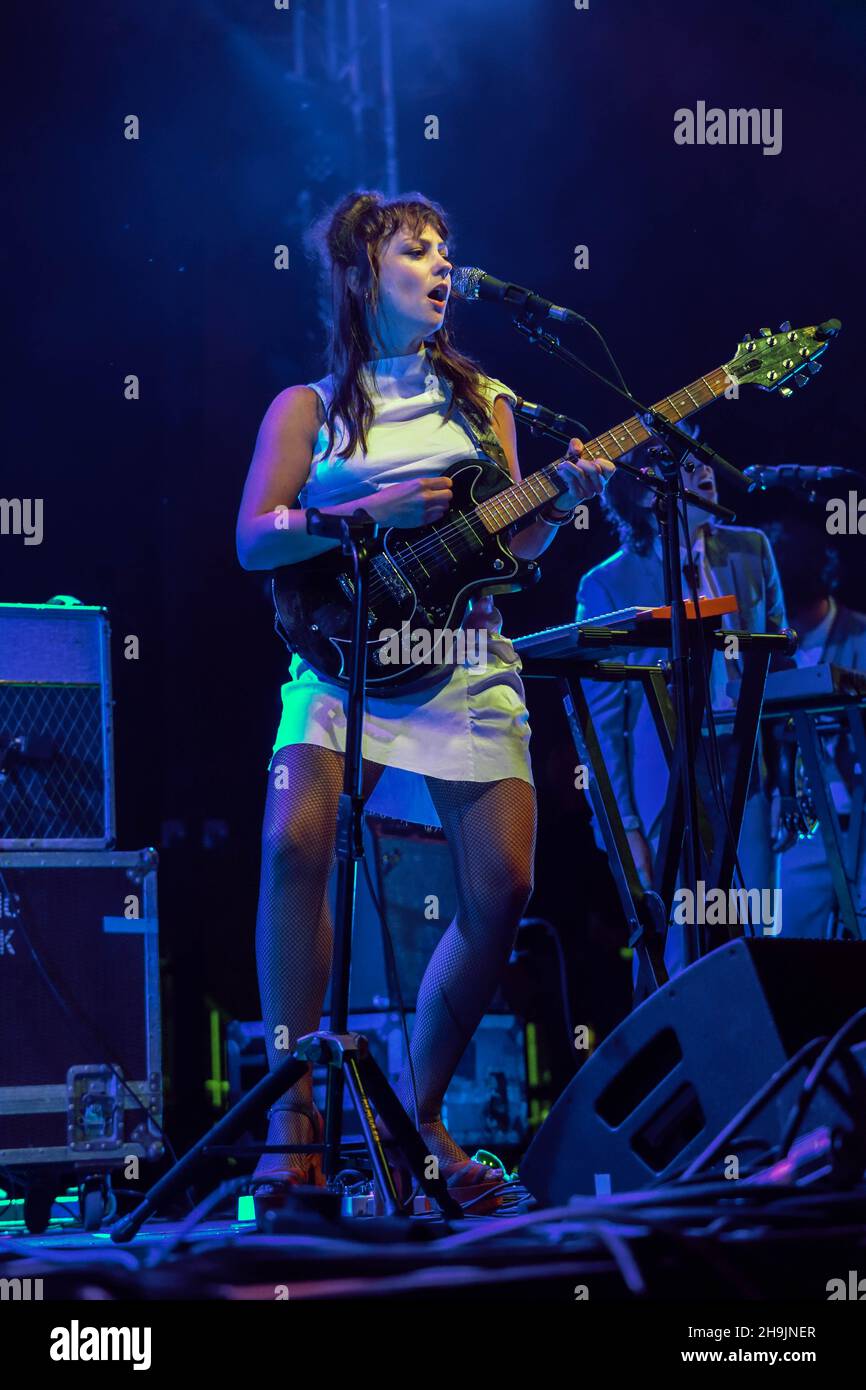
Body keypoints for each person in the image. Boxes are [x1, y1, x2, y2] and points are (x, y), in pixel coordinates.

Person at [235, 189, 612, 1212]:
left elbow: (512, 539)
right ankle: (294, 1118)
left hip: (460, 654)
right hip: (343, 653)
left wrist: (563, 503)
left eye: (446, 250)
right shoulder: (306, 407)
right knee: (289, 845)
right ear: (363, 274)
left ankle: (414, 1113)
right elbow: (257, 536)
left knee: (503, 886)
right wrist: (366, 506)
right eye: (416, 251)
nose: (441, 266)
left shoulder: (484, 396)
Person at [574, 431, 787, 977]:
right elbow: (601, 726)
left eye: (703, 461)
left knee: (758, 937)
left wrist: (790, 782)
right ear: (647, 493)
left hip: (748, 770)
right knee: (682, 953)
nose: (703, 470)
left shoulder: (750, 549)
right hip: (665, 783)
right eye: (683, 466)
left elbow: (780, 673)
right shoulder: (608, 585)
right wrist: (625, 830)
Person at [764, 514, 866, 939]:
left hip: (859, 827)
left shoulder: (861, 638)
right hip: (795, 834)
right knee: (789, 958)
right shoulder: (760, 651)